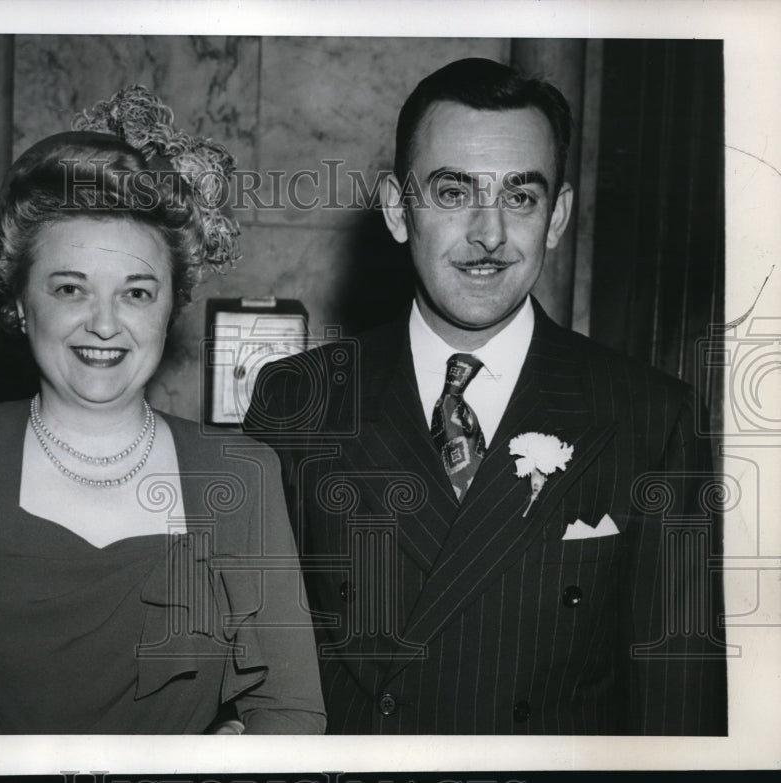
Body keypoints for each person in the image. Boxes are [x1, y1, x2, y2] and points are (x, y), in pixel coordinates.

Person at [243, 58, 726, 734]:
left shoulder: (653, 417)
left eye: (520, 197)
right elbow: (254, 671)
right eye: (453, 192)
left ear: (556, 217)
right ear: (397, 208)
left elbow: (681, 704)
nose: (489, 234)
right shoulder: (300, 398)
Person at [0, 87, 325, 735]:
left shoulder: (243, 474)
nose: (105, 324)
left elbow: (290, 715)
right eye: (70, 288)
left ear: (170, 310)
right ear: (22, 302)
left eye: (137, 292)